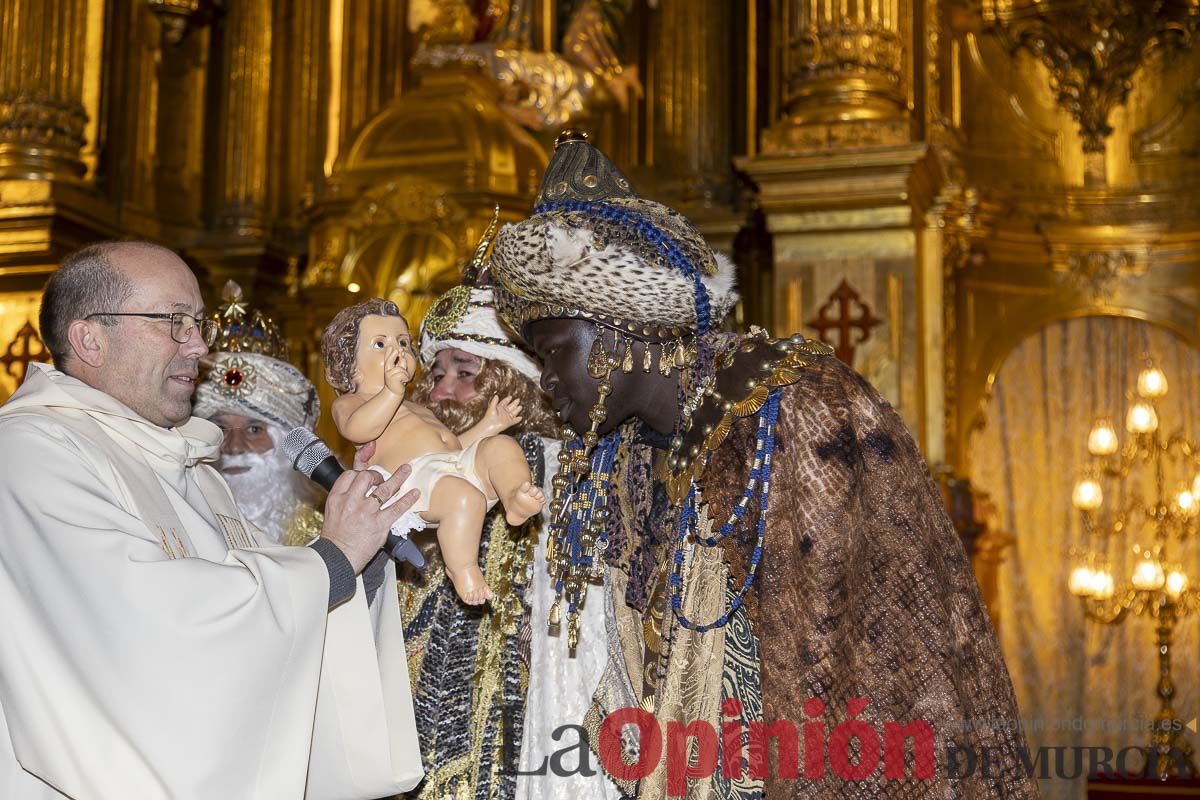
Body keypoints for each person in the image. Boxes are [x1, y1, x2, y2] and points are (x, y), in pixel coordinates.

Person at [486, 132, 1041, 797]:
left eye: (551, 351)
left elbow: (853, 669)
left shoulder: (793, 407)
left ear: (614, 326)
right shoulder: (623, 461)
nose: (545, 379)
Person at [0, 241, 424, 799]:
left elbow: (268, 622)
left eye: (197, 323)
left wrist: (359, 555)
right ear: (89, 338)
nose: (198, 346)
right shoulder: (31, 452)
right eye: (173, 322)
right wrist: (333, 560)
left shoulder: (190, 465)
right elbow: (148, 626)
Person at [401, 278, 621, 800]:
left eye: (464, 373)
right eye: (435, 375)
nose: (443, 392)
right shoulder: (422, 469)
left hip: (524, 710)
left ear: (510, 382)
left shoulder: (557, 467)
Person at [321, 298, 545, 604]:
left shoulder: (413, 406)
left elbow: (450, 445)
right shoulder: (351, 403)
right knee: (465, 498)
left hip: (449, 465)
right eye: (380, 344)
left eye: (402, 342)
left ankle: (515, 496)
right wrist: (391, 391)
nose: (397, 351)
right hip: (411, 480)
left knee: (501, 447)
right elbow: (358, 429)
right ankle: (463, 568)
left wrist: (489, 426)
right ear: (349, 364)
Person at [192, 280, 324, 545]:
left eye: (254, 429)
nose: (235, 447)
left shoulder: (326, 534)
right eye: (220, 429)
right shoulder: (181, 525)